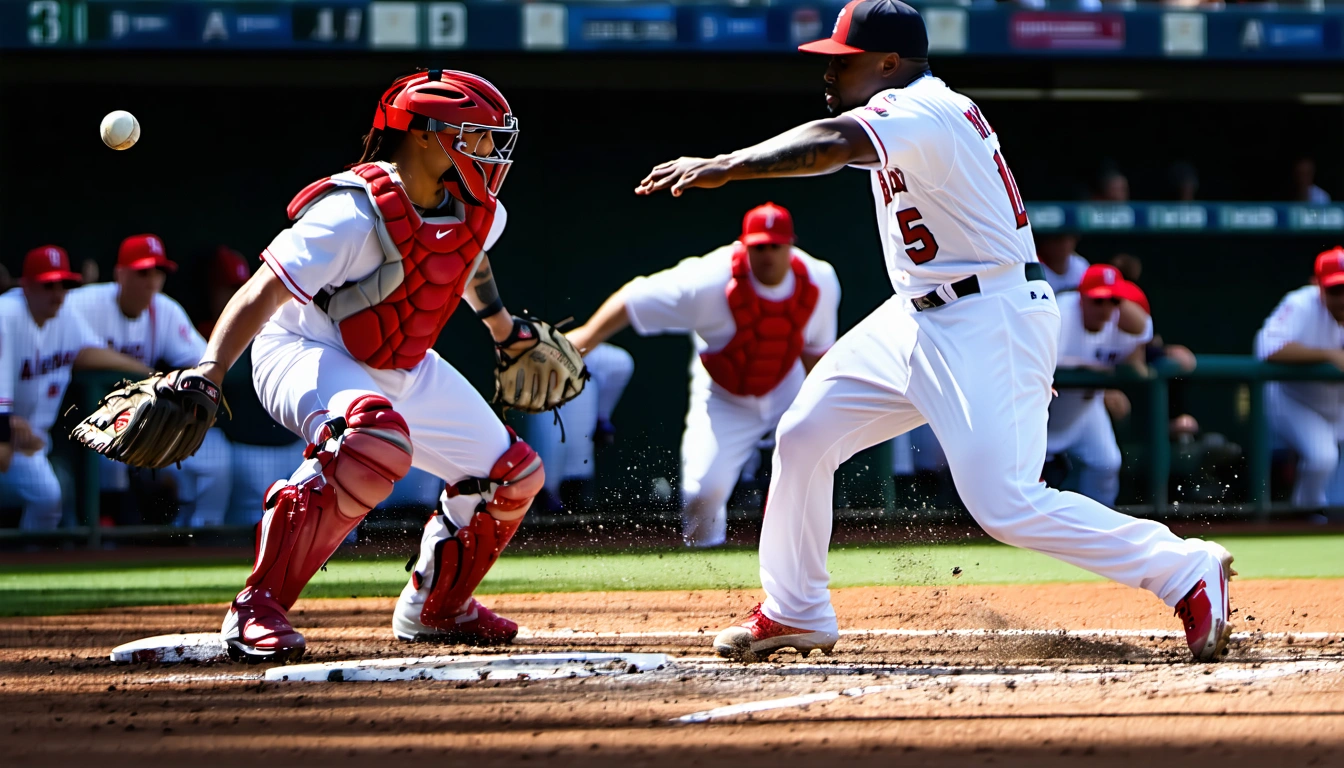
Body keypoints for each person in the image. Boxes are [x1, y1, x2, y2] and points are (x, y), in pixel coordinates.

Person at [636, 0, 1233, 663]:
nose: (830, 74)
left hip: (987, 314)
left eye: (845, 61)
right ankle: (795, 609)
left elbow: (831, 146)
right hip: (921, 312)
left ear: (889, 63)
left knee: (1004, 503)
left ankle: (1183, 570)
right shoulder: (910, 108)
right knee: (804, 434)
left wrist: (730, 163)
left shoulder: (925, 107)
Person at [173, 69, 549, 662]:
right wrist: (209, 371)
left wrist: (505, 329)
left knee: (514, 473)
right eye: (474, 135)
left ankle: (437, 607)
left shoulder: (483, 211)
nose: (489, 148)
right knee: (372, 441)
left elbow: (461, 259)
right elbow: (261, 292)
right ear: (424, 136)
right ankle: (257, 607)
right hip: (305, 347)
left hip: (402, 361)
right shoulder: (350, 212)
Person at [567, 203, 841, 547]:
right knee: (702, 492)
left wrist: (823, 419)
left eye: (775, 246)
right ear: (744, 246)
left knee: (809, 471)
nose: (767, 255)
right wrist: (586, 338)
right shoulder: (707, 280)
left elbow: (815, 355)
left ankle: (798, 559)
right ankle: (706, 577)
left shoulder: (820, 280)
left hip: (788, 386)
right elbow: (633, 299)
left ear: (791, 246)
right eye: (759, 247)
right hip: (725, 395)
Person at [66, 234, 229, 528]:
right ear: (120, 274)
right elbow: (80, 355)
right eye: (143, 272)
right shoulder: (85, 302)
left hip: (145, 418)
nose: (152, 282)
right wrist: (145, 372)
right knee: (109, 461)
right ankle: (106, 536)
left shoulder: (164, 309)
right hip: (83, 420)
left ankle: (195, 537)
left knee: (217, 460)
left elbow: (205, 362)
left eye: (159, 272)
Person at [0, 246, 148, 530]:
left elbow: (90, 351)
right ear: (26, 286)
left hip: (29, 446)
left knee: (48, 498)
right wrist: (5, 425)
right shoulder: (7, 314)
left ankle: (28, 564)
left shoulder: (64, 316)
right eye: (48, 285)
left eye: (64, 284)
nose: (57, 294)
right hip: (7, 439)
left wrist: (145, 371)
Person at [1045, 264, 1152, 506]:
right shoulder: (1060, 313)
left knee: (1105, 463)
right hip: (1042, 411)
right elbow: (1042, 363)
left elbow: (1143, 331)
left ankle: (1101, 524)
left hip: (1083, 408)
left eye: (1113, 301)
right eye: (1098, 301)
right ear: (1081, 297)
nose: (1106, 309)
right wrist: (1089, 370)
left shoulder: (1118, 320)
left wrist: (1134, 355)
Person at [1255, 246, 1344, 508]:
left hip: (1336, 404)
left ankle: (1330, 520)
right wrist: (1329, 355)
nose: (1342, 298)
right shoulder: (1300, 304)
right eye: (1335, 290)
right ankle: (1306, 518)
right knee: (1322, 457)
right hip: (1294, 399)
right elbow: (1268, 349)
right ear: (1317, 285)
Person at [518, 342, 634, 513]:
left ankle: (566, 505)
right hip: (530, 364)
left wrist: (602, 416)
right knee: (552, 449)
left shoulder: (592, 359)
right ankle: (544, 500)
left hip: (574, 358)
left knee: (575, 465)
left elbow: (621, 363)